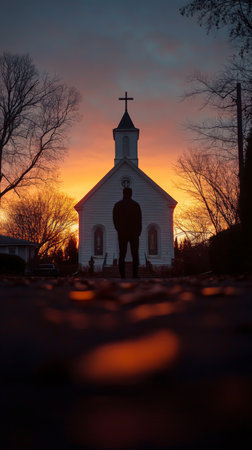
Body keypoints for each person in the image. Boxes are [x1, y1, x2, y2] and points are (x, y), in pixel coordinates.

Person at [113, 187, 142, 278]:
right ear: (131, 194)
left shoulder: (117, 205)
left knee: (122, 254)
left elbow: (115, 220)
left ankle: (123, 276)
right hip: (134, 233)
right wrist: (138, 232)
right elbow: (139, 220)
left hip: (122, 233)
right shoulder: (136, 205)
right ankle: (135, 275)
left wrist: (119, 230)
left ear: (123, 193)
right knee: (135, 254)